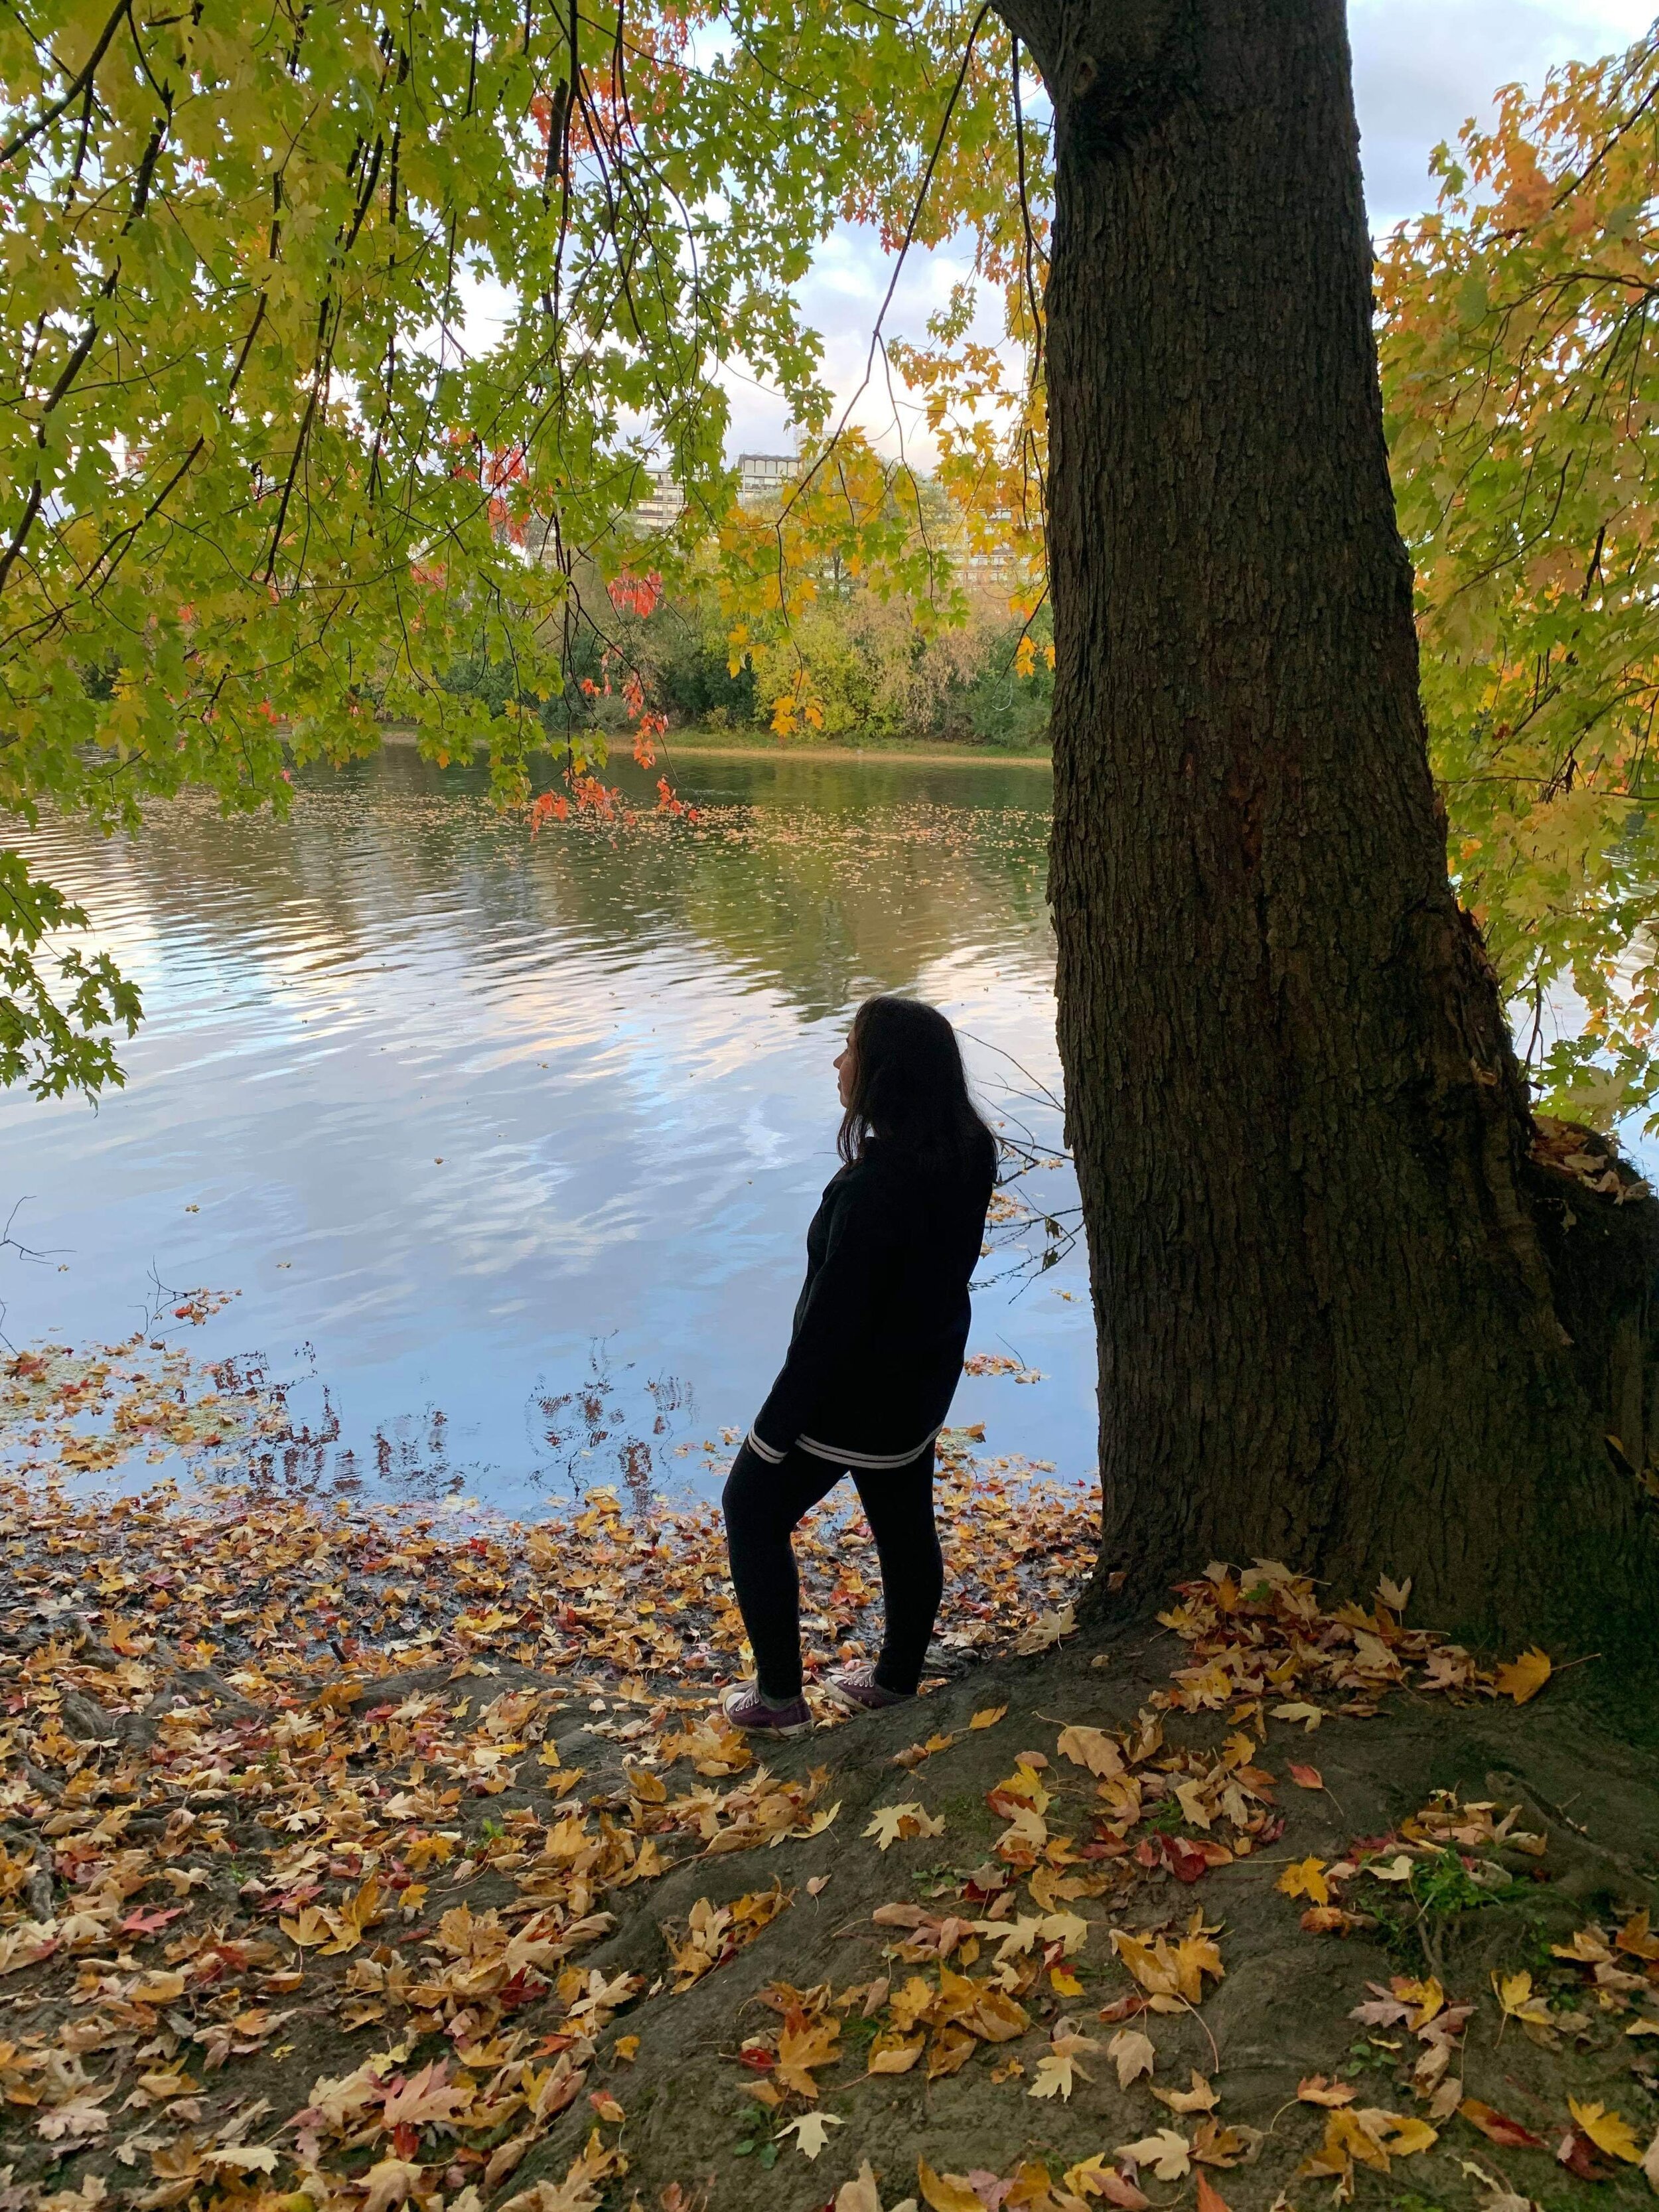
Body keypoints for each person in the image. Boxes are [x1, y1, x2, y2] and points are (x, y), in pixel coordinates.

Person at [720, 995, 997, 1735]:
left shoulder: (873, 1190)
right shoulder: (967, 1150)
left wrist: (774, 1431)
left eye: (851, 1050)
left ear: (886, 1076)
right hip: (920, 1383)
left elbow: (828, 1332)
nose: (838, 1063)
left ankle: (778, 1700)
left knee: (750, 1507)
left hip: (857, 1400)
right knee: (902, 1517)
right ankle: (895, 1680)